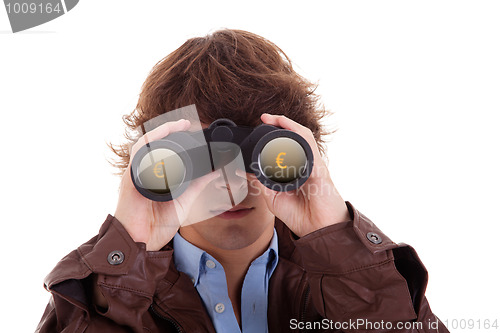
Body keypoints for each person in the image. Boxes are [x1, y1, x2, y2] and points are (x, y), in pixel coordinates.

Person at [36, 29, 449, 333]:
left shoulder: (353, 277)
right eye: (199, 158)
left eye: (260, 153)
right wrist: (126, 261)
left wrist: (337, 239)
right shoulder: (98, 295)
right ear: (156, 164)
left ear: (300, 155)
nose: (231, 183)